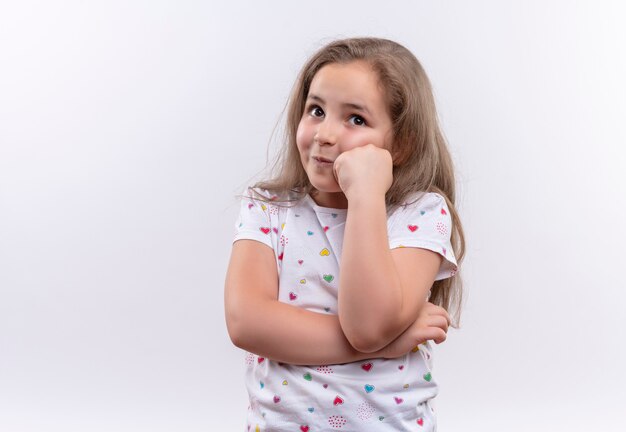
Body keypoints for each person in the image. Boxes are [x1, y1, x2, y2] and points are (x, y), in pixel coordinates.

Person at [224, 37, 466, 431]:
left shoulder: (418, 213)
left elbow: (367, 324)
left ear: (400, 144)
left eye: (356, 119)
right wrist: (385, 345)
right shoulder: (268, 207)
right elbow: (246, 323)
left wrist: (366, 193)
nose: (325, 134)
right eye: (316, 110)